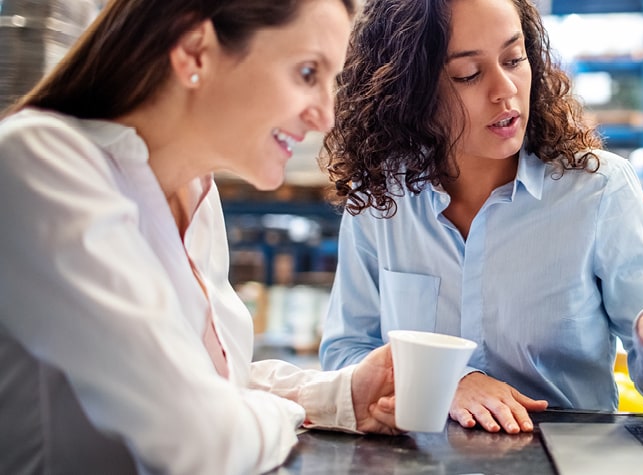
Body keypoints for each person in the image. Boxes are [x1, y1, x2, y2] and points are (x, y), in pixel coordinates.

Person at [0, 1, 401, 473]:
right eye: (307, 72)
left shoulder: (197, 194)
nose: (325, 118)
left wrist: (342, 394)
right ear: (194, 52)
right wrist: (287, 412)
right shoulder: (39, 163)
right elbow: (200, 438)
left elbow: (196, 382)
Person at [319, 0, 643, 435]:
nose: (504, 89)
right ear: (409, 91)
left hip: (565, 456)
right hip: (418, 459)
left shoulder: (599, 189)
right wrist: (448, 381)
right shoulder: (379, 198)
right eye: (468, 74)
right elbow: (344, 353)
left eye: (514, 58)